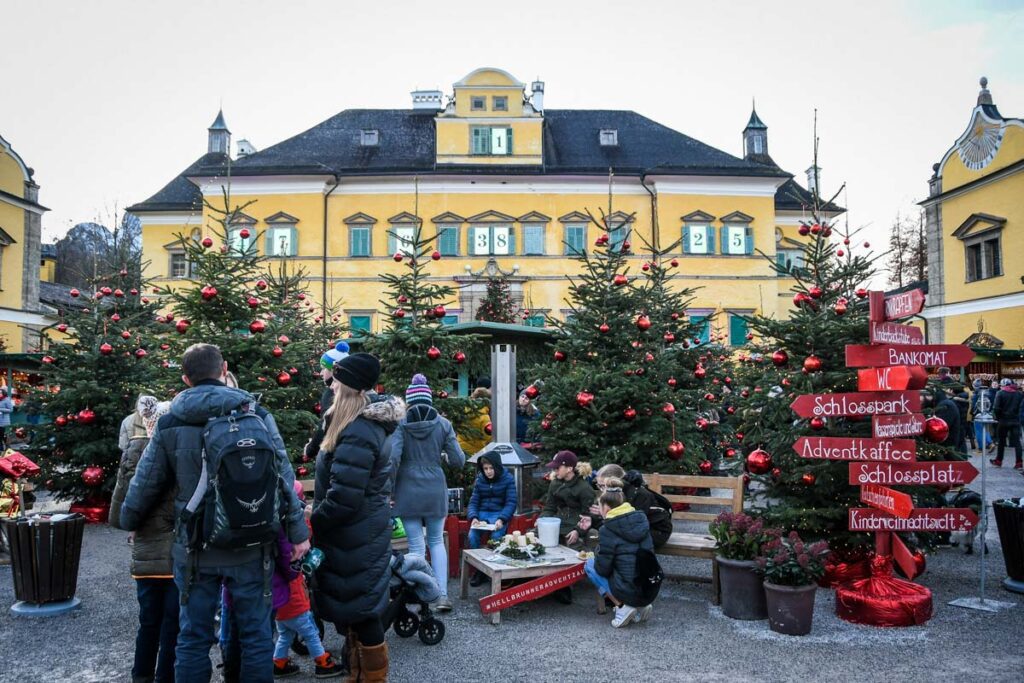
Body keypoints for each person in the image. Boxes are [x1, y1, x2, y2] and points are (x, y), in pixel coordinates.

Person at [120, 343, 310, 683]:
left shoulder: (170, 423)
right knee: (255, 637)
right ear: (224, 369)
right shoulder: (256, 415)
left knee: (192, 637)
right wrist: (298, 534)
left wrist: (129, 519)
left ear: (185, 378)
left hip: (195, 547)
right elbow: (284, 476)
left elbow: (145, 483)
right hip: (252, 542)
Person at [312, 352, 404, 682]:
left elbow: (345, 497)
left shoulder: (359, 431)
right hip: (354, 534)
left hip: (354, 534)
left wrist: (315, 520)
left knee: (363, 614)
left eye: (336, 379)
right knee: (356, 613)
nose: (331, 384)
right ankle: (357, 675)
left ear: (349, 386)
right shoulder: (353, 425)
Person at [110, 397, 177, 683]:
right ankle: (165, 677)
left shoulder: (134, 450)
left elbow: (118, 512)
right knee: (172, 623)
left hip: (146, 552)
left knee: (149, 619)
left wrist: (134, 524)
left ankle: (141, 675)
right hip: (176, 552)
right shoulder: (180, 450)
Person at [391, 374, 466, 611]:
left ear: (410, 401)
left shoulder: (401, 423)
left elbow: (393, 459)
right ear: (430, 399)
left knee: (415, 546)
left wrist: (389, 489)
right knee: (436, 541)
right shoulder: (443, 424)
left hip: (407, 489)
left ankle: (422, 597)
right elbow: (458, 461)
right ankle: (442, 595)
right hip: (434, 488)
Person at [272, 480, 343, 679]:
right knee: (310, 632)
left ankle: (279, 662)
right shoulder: (291, 540)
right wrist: (308, 518)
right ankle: (322, 662)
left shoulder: (275, 535)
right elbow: (306, 534)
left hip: (280, 606)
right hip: (295, 602)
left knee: (285, 635)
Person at [583, 478, 657, 628]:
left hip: (628, 589)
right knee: (627, 566)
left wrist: (597, 553)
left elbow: (602, 568)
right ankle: (641, 606)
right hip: (649, 586)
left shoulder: (608, 529)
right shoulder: (640, 520)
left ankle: (622, 606)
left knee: (590, 565)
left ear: (607, 509)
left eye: (600, 506)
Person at [582, 464, 674, 548]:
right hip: (633, 528)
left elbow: (632, 525)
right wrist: (592, 520)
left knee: (618, 540)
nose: (602, 489)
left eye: (602, 485)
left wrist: (607, 514)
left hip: (656, 530)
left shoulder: (639, 494)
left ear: (615, 480)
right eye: (599, 486)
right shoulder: (612, 492)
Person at [466, 454, 517, 586]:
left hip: (498, 513)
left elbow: (511, 502)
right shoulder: (480, 480)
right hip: (482, 514)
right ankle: (479, 571)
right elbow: (473, 502)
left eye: (491, 468)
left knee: (496, 537)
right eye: (485, 468)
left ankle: (495, 569)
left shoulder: (508, 479)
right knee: (472, 536)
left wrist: (502, 519)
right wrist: (474, 517)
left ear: (497, 467)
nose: (488, 471)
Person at [304, 342, 350, 462]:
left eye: (324, 368)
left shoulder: (331, 394)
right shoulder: (351, 390)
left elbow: (325, 426)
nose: (321, 373)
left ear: (333, 370)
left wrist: (311, 449)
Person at [541, 450, 596, 550]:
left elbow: (588, 515)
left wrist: (578, 531)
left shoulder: (584, 488)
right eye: (554, 468)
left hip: (574, 526)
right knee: (534, 537)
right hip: (557, 523)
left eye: (557, 468)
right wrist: (542, 520)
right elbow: (550, 507)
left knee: (574, 547)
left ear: (569, 469)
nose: (555, 470)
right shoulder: (555, 484)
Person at [992, 378, 1023, 469]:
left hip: (1003, 420)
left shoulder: (1000, 393)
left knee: (1001, 442)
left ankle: (999, 460)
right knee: (1017, 442)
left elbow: (996, 408)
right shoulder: (1019, 394)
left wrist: (997, 418)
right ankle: (1019, 462)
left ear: (1003, 385)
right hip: (1015, 420)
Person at [460, 383, 491, 456]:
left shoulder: (463, 411)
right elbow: (488, 437)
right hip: (476, 452)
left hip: (460, 448)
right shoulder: (484, 417)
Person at [933, 387, 963, 454]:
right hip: (948, 447)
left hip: (947, 448)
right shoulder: (945, 404)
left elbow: (939, 428)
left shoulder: (945, 406)